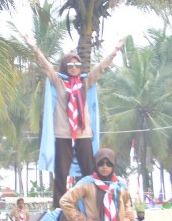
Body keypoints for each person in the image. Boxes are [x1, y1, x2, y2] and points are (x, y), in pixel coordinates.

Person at [26, 36, 125, 207]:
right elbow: (46, 66)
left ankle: (93, 203)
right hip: (63, 134)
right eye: (70, 65)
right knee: (61, 173)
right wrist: (34, 48)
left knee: (89, 171)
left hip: (82, 134)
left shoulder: (85, 82)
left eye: (77, 65)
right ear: (65, 66)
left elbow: (100, 68)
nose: (74, 68)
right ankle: (60, 208)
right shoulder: (59, 82)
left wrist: (114, 51)